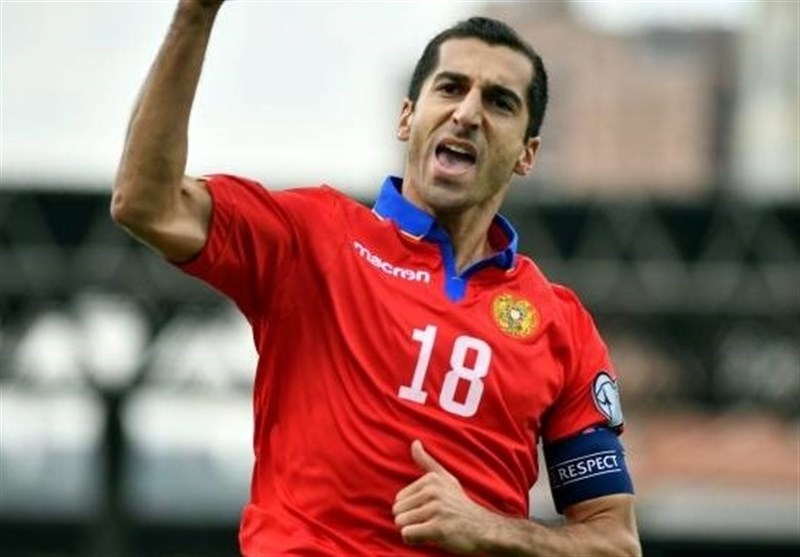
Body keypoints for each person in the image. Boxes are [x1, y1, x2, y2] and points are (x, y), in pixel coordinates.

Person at [111, 1, 641, 555]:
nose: (467, 113)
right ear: (407, 118)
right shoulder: (312, 239)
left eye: (499, 102)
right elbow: (145, 204)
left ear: (527, 154)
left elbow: (615, 542)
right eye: (451, 88)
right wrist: (194, 16)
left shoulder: (561, 325)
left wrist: (487, 528)